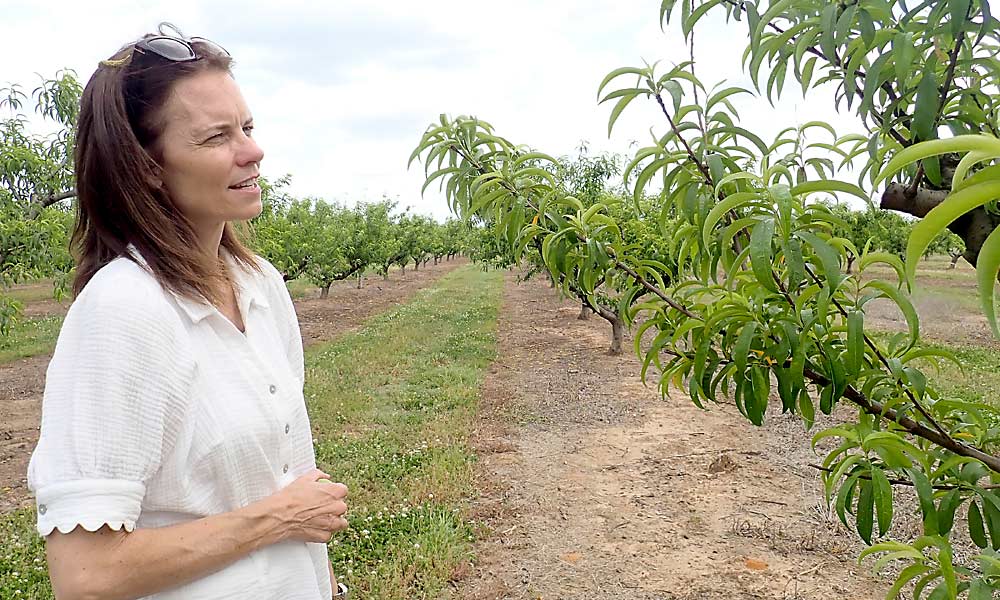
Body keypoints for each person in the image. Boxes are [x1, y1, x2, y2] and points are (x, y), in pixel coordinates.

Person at [26, 23, 350, 600]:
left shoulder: (260, 285)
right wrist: (277, 520)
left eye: (246, 127)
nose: (253, 150)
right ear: (147, 165)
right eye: (215, 137)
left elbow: (296, 482)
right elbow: (84, 574)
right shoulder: (124, 311)